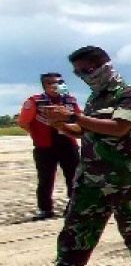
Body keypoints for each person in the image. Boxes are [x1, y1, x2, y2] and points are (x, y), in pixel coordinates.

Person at [19, 47, 131, 266]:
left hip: (123, 175)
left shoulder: (130, 95)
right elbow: (85, 131)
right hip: (91, 174)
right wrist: (62, 125)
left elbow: (119, 128)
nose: (83, 77)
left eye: (85, 70)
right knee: (77, 223)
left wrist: (74, 116)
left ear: (102, 65)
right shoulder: (95, 98)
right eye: (78, 73)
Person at [18, 72, 81, 220]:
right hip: (45, 146)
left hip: (68, 144)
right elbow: (23, 122)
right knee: (45, 179)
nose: (56, 86)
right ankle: (45, 210)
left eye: (59, 82)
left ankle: (73, 207)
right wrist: (37, 134)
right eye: (52, 83)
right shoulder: (35, 101)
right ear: (45, 85)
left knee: (74, 177)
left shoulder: (70, 101)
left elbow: (80, 119)